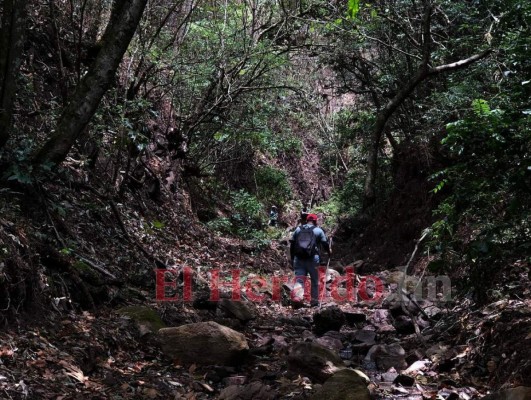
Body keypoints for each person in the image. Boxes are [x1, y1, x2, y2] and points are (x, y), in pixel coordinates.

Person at [290, 213, 330, 307]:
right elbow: (324, 243)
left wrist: (292, 258)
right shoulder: (318, 230)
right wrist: (329, 251)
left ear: (306, 220)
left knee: (299, 279)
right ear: (315, 221)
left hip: (299, 258)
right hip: (313, 259)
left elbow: (292, 244)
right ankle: (314, 302)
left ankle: (297, 298)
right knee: (315, 281)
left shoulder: (298, 229)